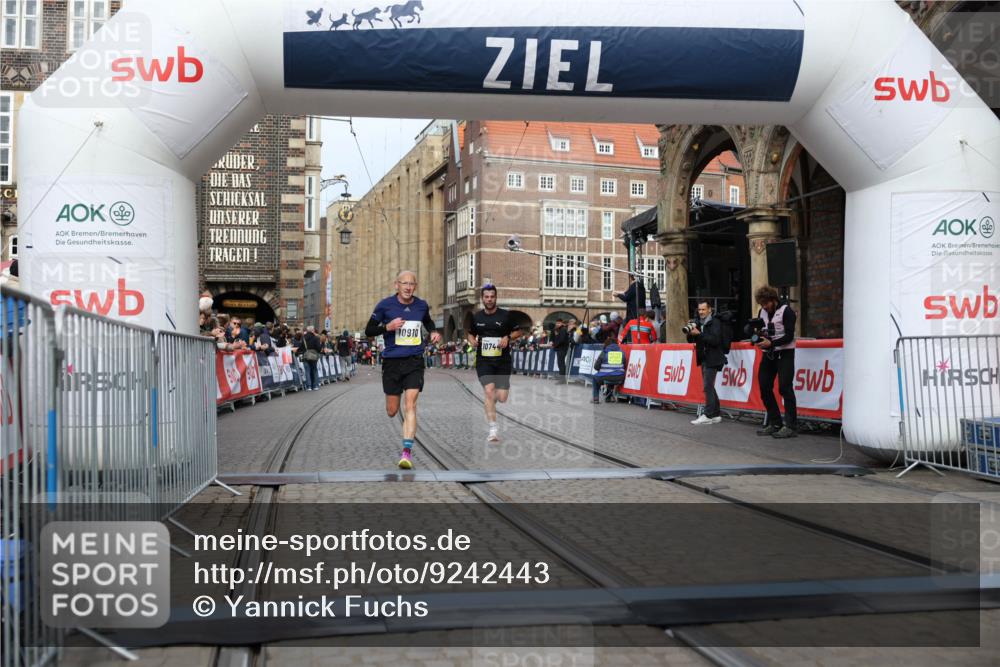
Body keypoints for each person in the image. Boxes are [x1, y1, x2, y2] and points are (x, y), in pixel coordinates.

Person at [365, 270, 442, 469]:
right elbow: (369, 330)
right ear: (396, 285)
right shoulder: (385, 305)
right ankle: (398, 411)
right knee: (392, 410)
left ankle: (406, 453)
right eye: (404, 283)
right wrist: (387, 327)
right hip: (392, 362)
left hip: (414, 361)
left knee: (411, 405)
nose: (408, 287)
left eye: (411, 284)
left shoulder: (421, 305)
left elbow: (428, 321)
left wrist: (434, 331)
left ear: (415, 286)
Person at [467, 284, 523, 442]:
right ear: (482, 298)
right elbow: (470, 334)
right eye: (486, 297)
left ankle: (492, 400)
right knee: (489, 391)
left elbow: (519, 331)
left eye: (492, 296)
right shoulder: (477, 317)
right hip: (484, 360)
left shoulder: (506, 315)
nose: (489, 299)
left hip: (502, 361)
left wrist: (508, 337)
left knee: (502, 397)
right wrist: (472, 342)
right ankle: (493, 430)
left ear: (496, 297)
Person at [747, 285, 798, 438]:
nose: (764, 307)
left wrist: (772, 343)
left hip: (785, 353)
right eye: (762, 304)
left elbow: (789, 336)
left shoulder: (786, 311)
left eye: (767, 303)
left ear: (773, 299)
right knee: (764, 387)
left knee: (785, 388)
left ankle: (791, 426)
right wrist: (757, 335)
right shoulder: (762, 311)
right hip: (769, 354)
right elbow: (760, 330)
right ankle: (775, 422)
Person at [687, 301, 726, 425]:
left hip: (713, 358)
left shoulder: (715, 322)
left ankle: (708, 414)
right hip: (703, 357)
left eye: (703, 310)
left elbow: (715, 340)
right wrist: (690, 332)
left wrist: (700, 334)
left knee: (707, 386)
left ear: (710, 310)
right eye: (699, 310)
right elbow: (691, 340)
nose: (701, 312)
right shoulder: (699, 323)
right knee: (709, 386)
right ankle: (716, 414)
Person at [591, 337, 626, 404]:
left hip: (606, 377)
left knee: (595, 378)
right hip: (620, 377)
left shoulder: (604, 352)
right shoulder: (622, 353)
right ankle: (608, 397)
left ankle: (595, 398)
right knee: (612, 374)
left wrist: (602, 369)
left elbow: (596, 367)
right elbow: (624, 364)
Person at [299, 325, 322, 391]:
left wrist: (298, 353)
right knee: (314, 370)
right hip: (314, 356)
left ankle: (308, 386)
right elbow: (318, 348)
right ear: (313, 330)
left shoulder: (303, 338)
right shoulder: (316, 338)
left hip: (306, 356)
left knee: (307, 371)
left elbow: (301, 347)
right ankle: (315, 386)